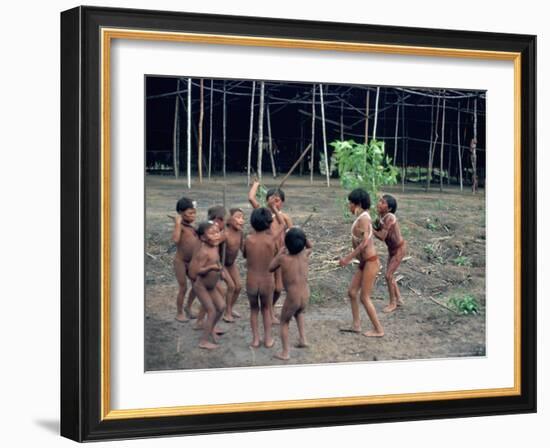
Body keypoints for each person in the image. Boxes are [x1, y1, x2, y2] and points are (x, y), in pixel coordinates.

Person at [339, 188, 384, 337]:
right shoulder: (362, 218)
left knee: (364, 297)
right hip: (364, 262)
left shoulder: (364, 218)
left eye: (350, 204)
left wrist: (348, 258)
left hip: (370, 262)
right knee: (352, 292)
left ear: (357, 204)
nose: (349, 206)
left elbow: (364, 244)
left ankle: (378, 329)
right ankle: (356, 325)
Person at [248, 179, 292, 324]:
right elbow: (251, 198)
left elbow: (289, 232)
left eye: (278, 201)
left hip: (279, 255)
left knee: (279, 288)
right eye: (272, 200)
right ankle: (269, 313)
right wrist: (256, 184)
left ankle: (269, 309)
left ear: (283, 203)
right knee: (270, 285)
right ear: (267, 201)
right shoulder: (263, 214)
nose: (275, 203)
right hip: (266, 256)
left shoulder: (284, 217)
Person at [269, 227, 312, 361]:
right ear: (303, 243)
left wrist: (280, 251)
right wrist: (304, 238)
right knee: (299, 313)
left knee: (284, 322)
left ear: (287, 244)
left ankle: (285, 352)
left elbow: (270, 268)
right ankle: (303, 339)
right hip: (305, 294)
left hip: (292, 297)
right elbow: (311, 246)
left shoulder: (283, 259)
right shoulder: (305, 254)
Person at [243, 207, 279, 348]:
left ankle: (255, 340)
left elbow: (245, 255)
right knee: (266, 309)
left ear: (252, 223)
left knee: (253, 310)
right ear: (269, 223)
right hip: (267, 281)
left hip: (251, 280)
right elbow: (275, 257)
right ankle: (268, 339)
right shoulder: (271, 241)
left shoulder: (248, 239)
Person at [188, 221, 225, 350]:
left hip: (211, 286)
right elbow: (195, 271)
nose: (216, 236)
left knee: (221, 307)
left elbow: (217, 259)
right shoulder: (203, 252)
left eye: (217, 232)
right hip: (201, 286)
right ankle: (203, 341)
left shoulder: (215, 246)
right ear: (203, 238)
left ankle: (211, 328)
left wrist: (220, 270)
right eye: (212, 233)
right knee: (212, 311)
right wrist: (210, 268)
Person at [373, 194, 407, 313]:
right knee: (390, 275)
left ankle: (392, 303)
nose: (379, 204)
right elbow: (377, 230)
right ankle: (399, 299)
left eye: (382, 203)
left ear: (389, 208)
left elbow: (382, 236)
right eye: (379, 201)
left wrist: (369, 229)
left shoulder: (390, 217)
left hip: (399, 249)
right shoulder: (381, 217)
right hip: (392, 250)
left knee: (388, 276)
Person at [171, 197, 199, 322]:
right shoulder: (180, 227)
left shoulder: (192, 228)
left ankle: (188, 307)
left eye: (194, 212)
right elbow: (176, 240)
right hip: (181, 262)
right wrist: (177, 223)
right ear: (181, 213)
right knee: (183, 287)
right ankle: (179, 312)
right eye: (190, 213)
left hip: (192, 262)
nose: (193, 215)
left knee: (197, 286)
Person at [222, 208, 245, 322]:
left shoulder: (240, 233)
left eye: (242, 217)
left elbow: (243, 249)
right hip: (221, 264)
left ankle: (230, 308)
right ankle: (226, 313)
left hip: (231, 264)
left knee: (239, 286)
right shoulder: (224, 233)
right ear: (229, 219)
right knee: (231, 286)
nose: (241, 220)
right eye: (238, 217)